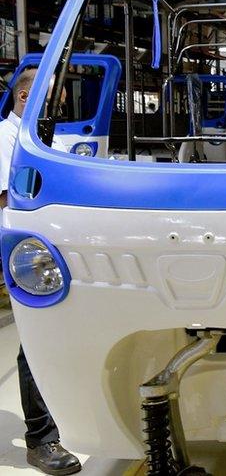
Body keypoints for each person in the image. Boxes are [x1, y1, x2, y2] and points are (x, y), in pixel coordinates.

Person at [1, 68, 82, 475]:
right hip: (33, 257)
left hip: (70, 255)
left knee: (66, 337)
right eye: (55, 95)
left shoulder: (58, 142)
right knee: (33, 342)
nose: (62, 102)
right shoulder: (4, 140)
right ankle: (41, 439)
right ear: (25, 95)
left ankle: (73, 417)